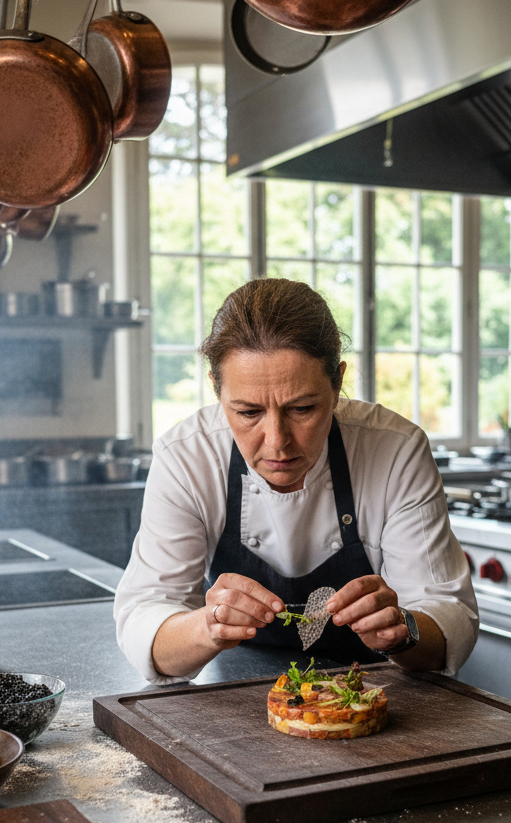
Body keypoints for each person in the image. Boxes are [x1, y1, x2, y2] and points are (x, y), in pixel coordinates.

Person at [114, 278, 479, 684]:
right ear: (217, 390)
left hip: (378, 689)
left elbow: (449, 620)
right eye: (248, 413)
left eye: (302, 408)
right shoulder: (186, 456)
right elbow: (144, 620)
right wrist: (208, 626)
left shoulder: (395, 450)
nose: (277, 441)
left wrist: (402, 630)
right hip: (232, 690)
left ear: (337, 383)